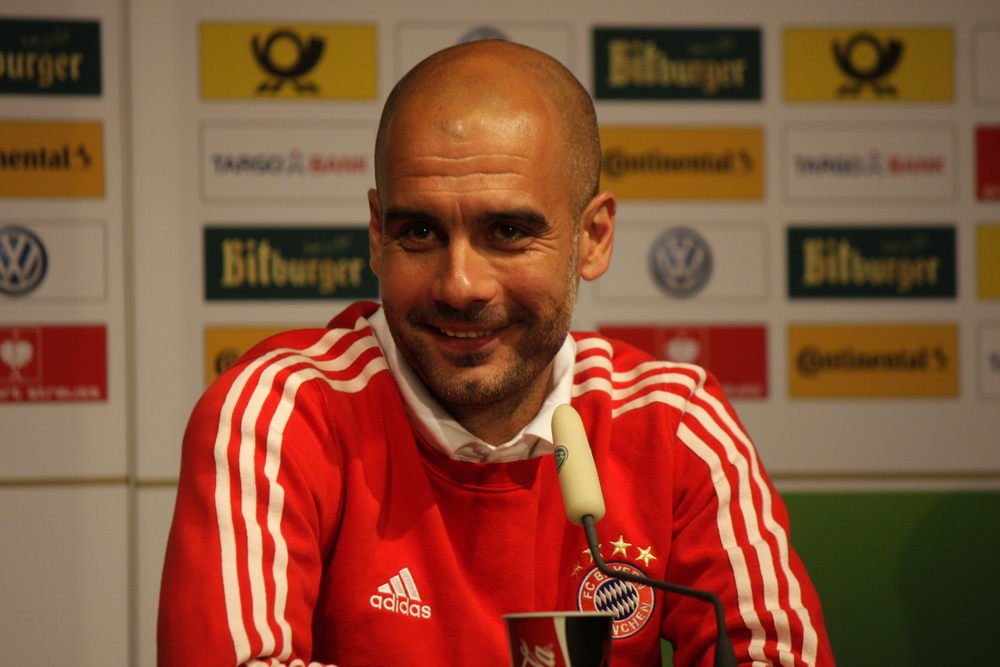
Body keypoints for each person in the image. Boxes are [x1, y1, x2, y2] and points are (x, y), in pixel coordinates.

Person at [158, 40, 835, 667]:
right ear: (376, 234)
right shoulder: (277, 415)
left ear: (593, 238)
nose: (460, 285)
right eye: (420, 232)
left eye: (507, 232)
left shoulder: (674, 422)